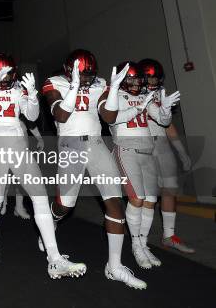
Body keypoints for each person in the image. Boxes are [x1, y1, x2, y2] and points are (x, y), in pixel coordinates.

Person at [0, 53, 86, 277]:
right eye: (1, 74)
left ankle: (54, 258)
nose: (6, 79)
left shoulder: (17, 88)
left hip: (18, 146)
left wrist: (32, 95)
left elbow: (31, 116)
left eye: (9, 74)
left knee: (40, 196)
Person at [42, 49, 147, 289]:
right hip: (70, 144)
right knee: (64, 206)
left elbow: (109, 117)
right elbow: (60, 115)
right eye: (83, 75)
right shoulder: (54, 82)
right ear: (70, 71)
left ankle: (115, 266)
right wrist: (74, 87)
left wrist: (111, 91)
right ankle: (53, 219)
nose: (88, 79)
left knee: (114, 202)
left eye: (90, 75)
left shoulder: (99, 83)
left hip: (97, 144)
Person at [109, 62, 178, 269]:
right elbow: (112, 119)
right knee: (137, 198)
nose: (135, 82)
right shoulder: (115, 95)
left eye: (138, 78)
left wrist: (164, 109)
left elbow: (163, 122)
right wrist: (137, 108)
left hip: (148, 152)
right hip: (126, 150)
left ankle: (143, 243)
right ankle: (136, 245)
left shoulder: (144, 96)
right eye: (130, 78)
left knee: (150, 201)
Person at [139, 58, 195, 254]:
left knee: (169, 189)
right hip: (143, 146)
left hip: (161, 145)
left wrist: (181, 152)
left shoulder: (161, 95)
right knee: (146, 195)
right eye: (149, 79)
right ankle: (140, 241)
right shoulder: (132, 94)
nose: (153, 83)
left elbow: (168, 125)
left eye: (156, 79)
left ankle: (169, 236)